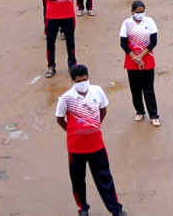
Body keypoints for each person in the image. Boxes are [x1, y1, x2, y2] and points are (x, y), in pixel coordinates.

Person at [55, 64, 128, 216]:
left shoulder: (97, 91)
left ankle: (116, 209)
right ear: (73, 81)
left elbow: (103, 109)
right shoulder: (65, 98)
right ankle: (83, 209)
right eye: (80, 81)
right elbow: (60, 119)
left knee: (105, 178)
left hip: (96, 145)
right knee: (78, 180)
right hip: (76, 147)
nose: (83, 83)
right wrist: (72, 131)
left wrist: (94, 126)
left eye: (85, 79)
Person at [119, 0, 160, 126]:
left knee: (148, 88)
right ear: (132, 12)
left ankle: (154, 115)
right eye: (137, 12)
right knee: (135, 88)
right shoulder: (126, 23)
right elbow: (123, 43)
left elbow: (153, 42)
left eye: (142, 12)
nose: (140, 14)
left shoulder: (150, 22)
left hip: (147, 58)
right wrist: (135, 57)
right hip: (132, 60)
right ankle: (140, 111)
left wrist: (141, 56)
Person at [43, 0, 79, 77]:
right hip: (52, 14)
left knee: (70, 40)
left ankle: (72, 64)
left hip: (68, 13)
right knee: (50, 41)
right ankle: (51, 66)